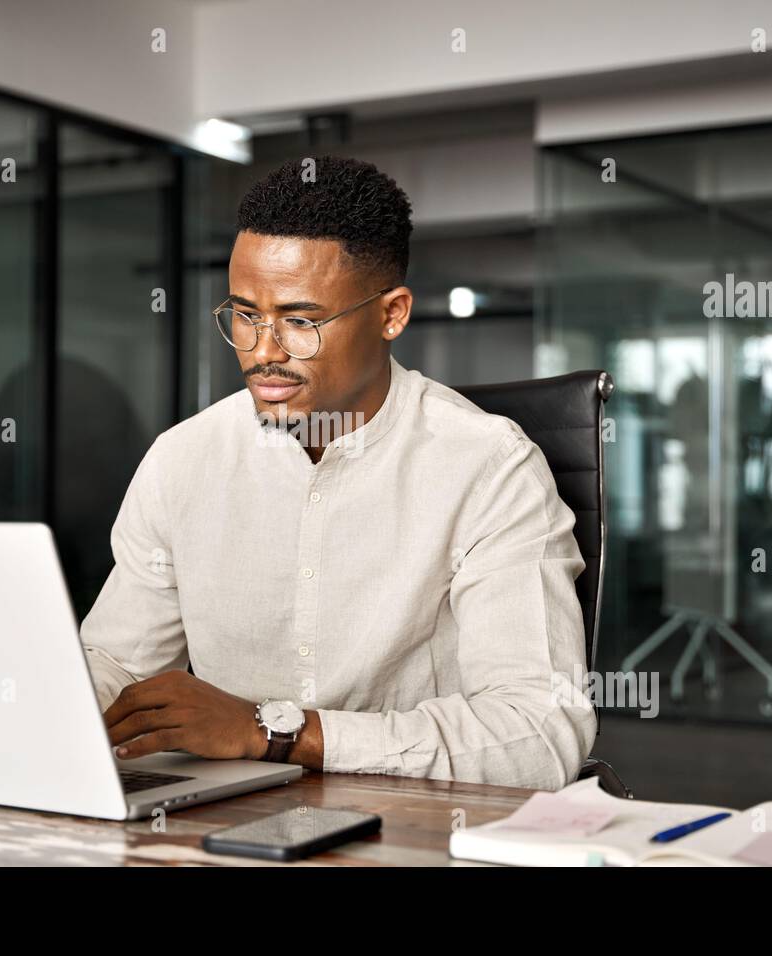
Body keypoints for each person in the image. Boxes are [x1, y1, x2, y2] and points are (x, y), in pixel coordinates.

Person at [81, 155, 595, 788]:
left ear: (392, 314)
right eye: (245, 315)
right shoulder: (182, 460)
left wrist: (275, 732)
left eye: (301, 321)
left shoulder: (489, 467)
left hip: (413, 828)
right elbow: (117, 665)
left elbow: (540, 733)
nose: (264, 351)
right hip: (217, 821)